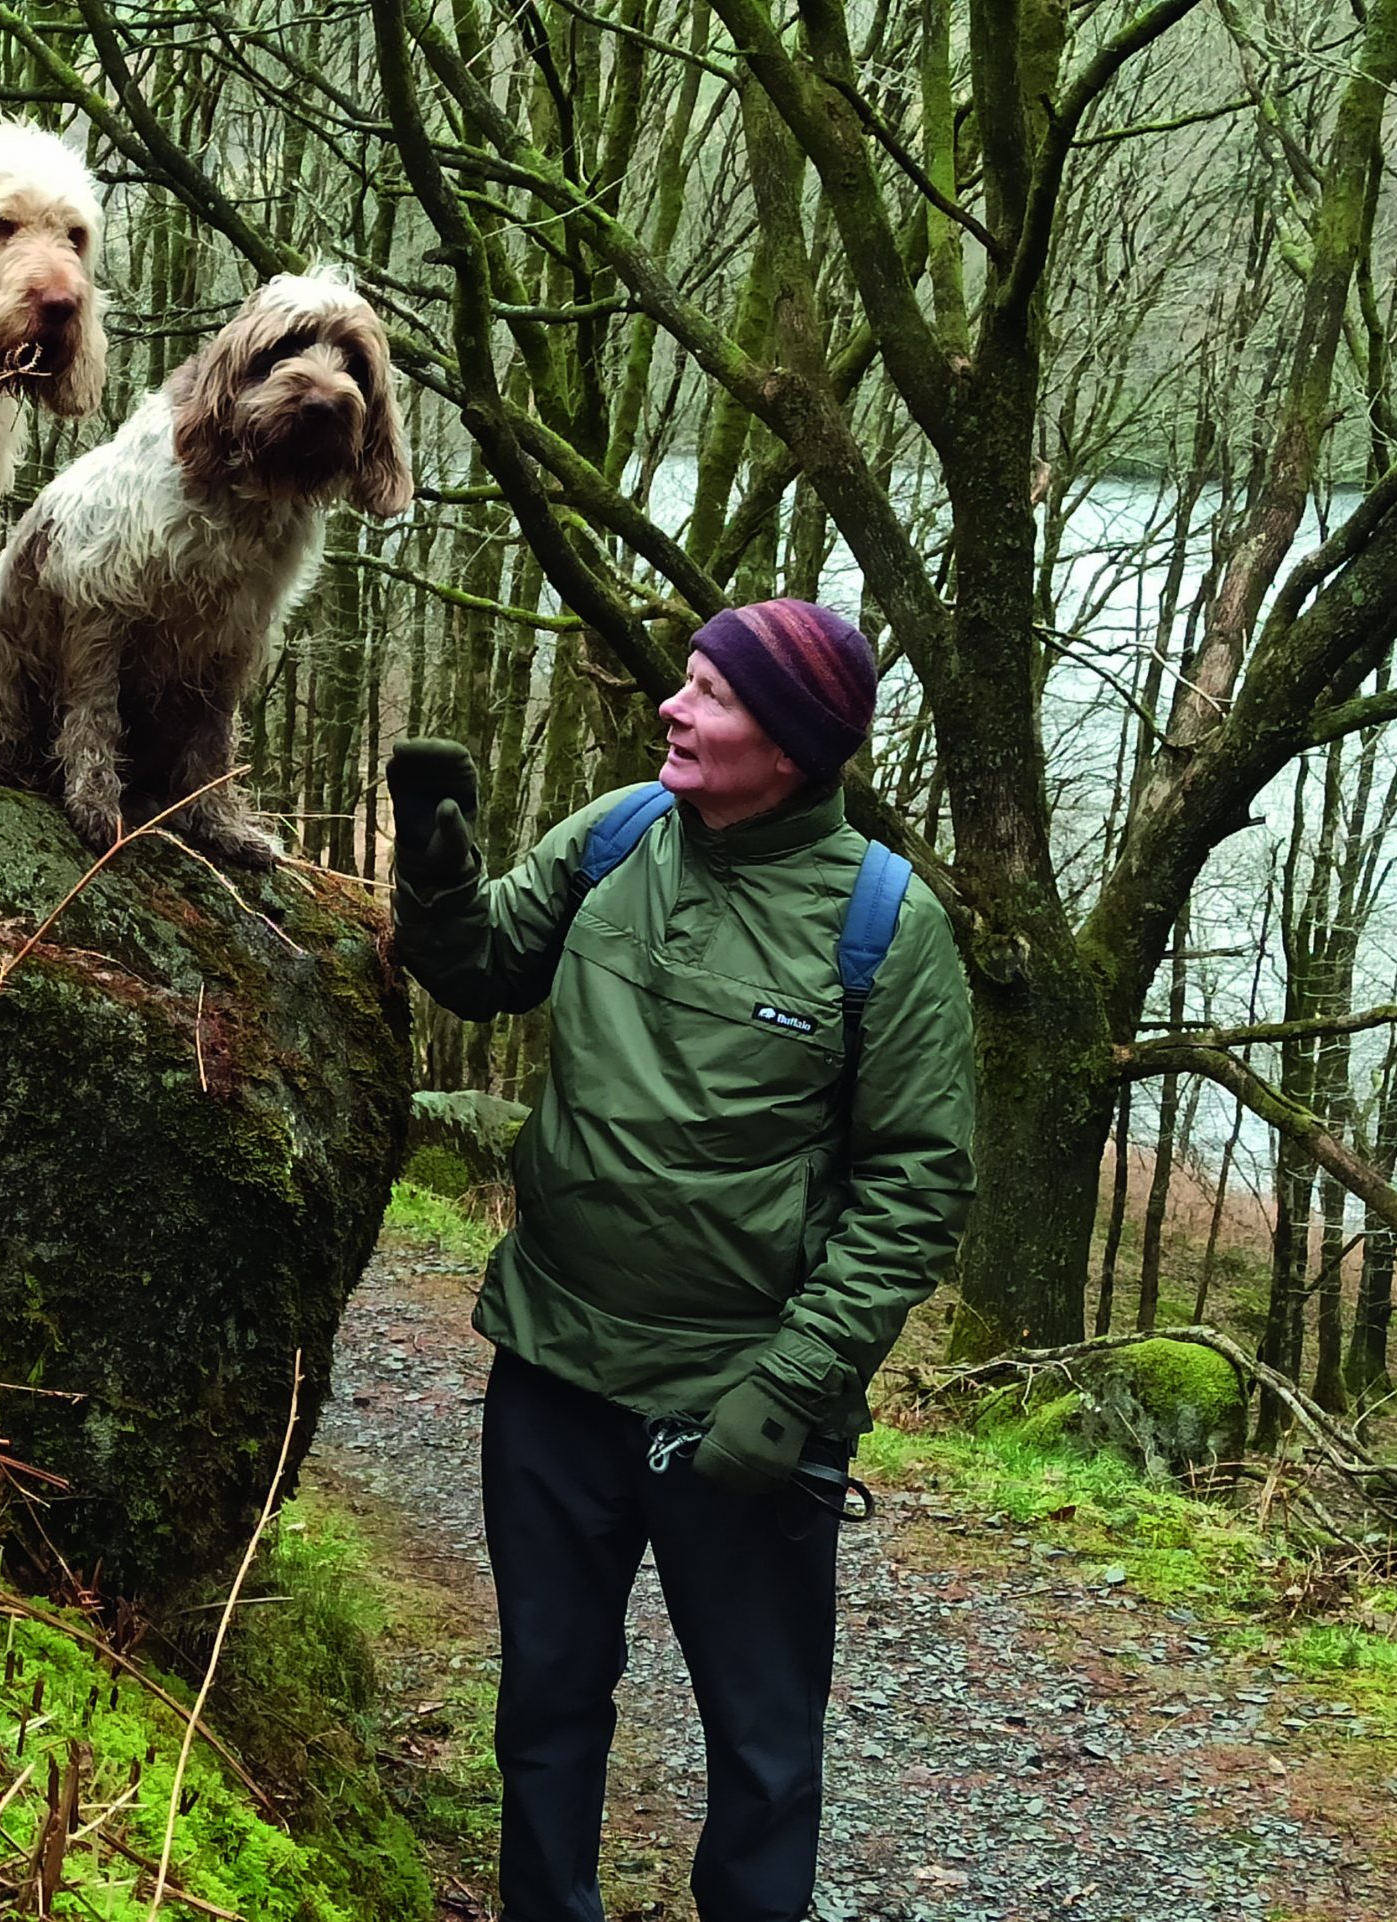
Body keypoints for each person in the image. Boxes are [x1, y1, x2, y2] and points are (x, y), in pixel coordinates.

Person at [386, 599, 977, 1922]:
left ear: (794, 740)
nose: (673, 704)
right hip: (554, 1370)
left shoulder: (886, 927)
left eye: (710, 691)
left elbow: (916, 1190)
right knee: (545, 1699)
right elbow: (484, 962)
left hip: (738, 1411)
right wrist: (433, 866)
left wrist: (789, 1391)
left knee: (762, 1750)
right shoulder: (619, 836)